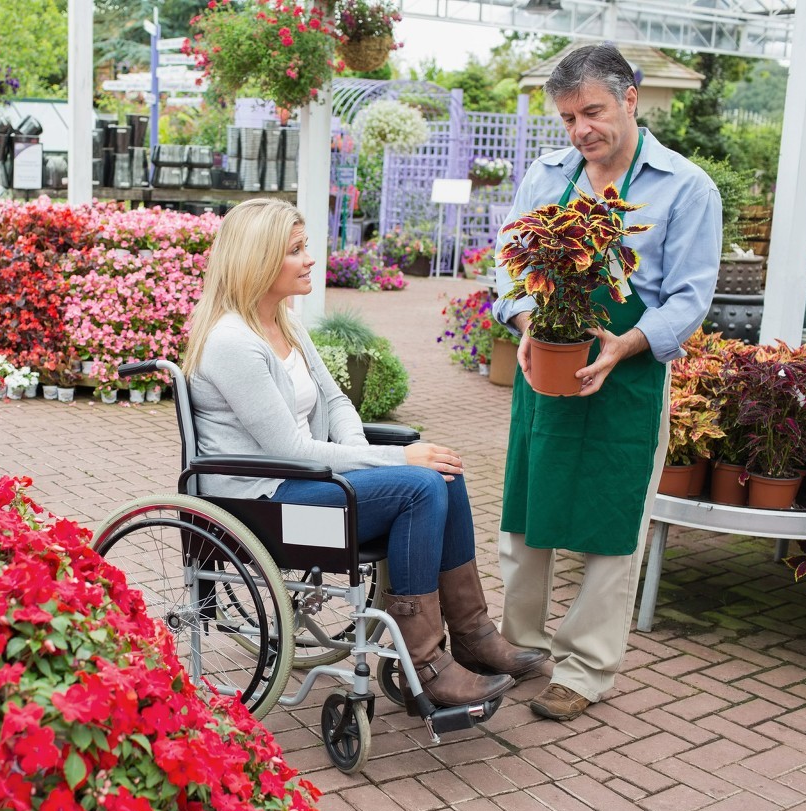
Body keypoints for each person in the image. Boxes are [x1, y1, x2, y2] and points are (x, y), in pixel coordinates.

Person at [184, 198, 546, 713]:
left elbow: (335, 401)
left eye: (305, 246)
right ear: (257, 261)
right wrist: (393, 463)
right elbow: (288, 450)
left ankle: (472, 635)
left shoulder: (284, 323)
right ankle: (424, 663)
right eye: (295, 250)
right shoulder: (231, 342)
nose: (310, 258)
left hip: (299, 486)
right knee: (419, 481)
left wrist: (361, 457)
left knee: (441, 470)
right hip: (260, 509)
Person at [492, 44, 722, 721]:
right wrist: (530, 319)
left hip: (630, 374)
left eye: (591, 111)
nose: (579, 130)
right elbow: (507, 265)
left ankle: (586, 668)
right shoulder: (547, 174)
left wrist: (625, 343)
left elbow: (687, 295)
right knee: (524, 517)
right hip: (548, 361)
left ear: (630, 98)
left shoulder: (685, 186)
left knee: (613, 524)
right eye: (566, 118)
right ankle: (521, 645)